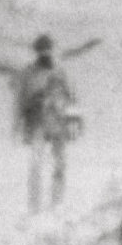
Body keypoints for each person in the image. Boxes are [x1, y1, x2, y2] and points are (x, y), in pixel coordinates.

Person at [14, 34, 78, 214]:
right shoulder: (28, 73)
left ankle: (57, 201)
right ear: (37, 52)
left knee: (59, 163)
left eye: (48, 50)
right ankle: (34, 204)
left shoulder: (60, 71)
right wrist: (18, 125)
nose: (45, 54)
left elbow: (71, 97)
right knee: (36, 164)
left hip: (58, 122)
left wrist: (73, 122)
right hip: (37, 123)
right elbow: (21, 100)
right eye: (42, 51)